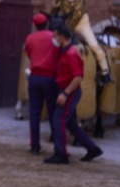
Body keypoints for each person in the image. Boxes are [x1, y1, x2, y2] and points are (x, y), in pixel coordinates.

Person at [44, 26, 103, 164]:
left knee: (58, 120)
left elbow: (77, 77)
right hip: (67, 90)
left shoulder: (70, 54)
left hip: (69, 91)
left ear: (62, 37)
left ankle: (61, 154)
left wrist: (65, 94)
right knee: (71, 123)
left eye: (55, 36)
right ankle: (92, 148)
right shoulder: (65, 51)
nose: (54, 39)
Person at [46, 0, 111, 83]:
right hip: (66, 26)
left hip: (81, 24)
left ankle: (105, 72)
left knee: (94, 46)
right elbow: (53, 14)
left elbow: (79, 13)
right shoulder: (57, 0)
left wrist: (67, 27)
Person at [24, 12, 60, 155]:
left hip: (34, 77)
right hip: (50, 78)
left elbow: (29, 54)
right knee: (53, 112)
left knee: (34, 113)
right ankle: (57, 145)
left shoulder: (30, 38)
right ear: (47, 23)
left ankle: (35, 145)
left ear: (35, 25)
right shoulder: (53, 37)